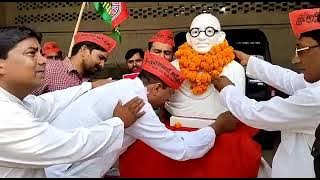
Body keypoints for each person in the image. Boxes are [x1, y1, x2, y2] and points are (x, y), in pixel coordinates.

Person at [44, 52, 238, 178]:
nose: (166, 102)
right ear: (156, 88)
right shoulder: (136, 104)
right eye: (169, 95)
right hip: (63, 172)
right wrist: (216, 127)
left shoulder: (124, 85)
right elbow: (179, 148)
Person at [0, 26, 145, 178]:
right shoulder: (6, 116)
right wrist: (118, 123)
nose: (43, 61)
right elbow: (67, 146)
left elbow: (48, 103)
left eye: (41, 53)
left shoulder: (18, 101)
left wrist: (89, 86)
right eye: (31, 53)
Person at [211, 8, 320, 178]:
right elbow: (290, 80)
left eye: (301, 50)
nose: (295, 59)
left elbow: (258, 114)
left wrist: (227, 90)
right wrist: (251, 62)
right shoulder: (314, 86)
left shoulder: (316, 99)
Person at [32, 32, 116, 95]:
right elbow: (24, 103)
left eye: (104, 61)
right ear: (83, 50)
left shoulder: (88, 80)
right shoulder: (50, 69)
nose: (102, 65)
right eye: (100, 58)